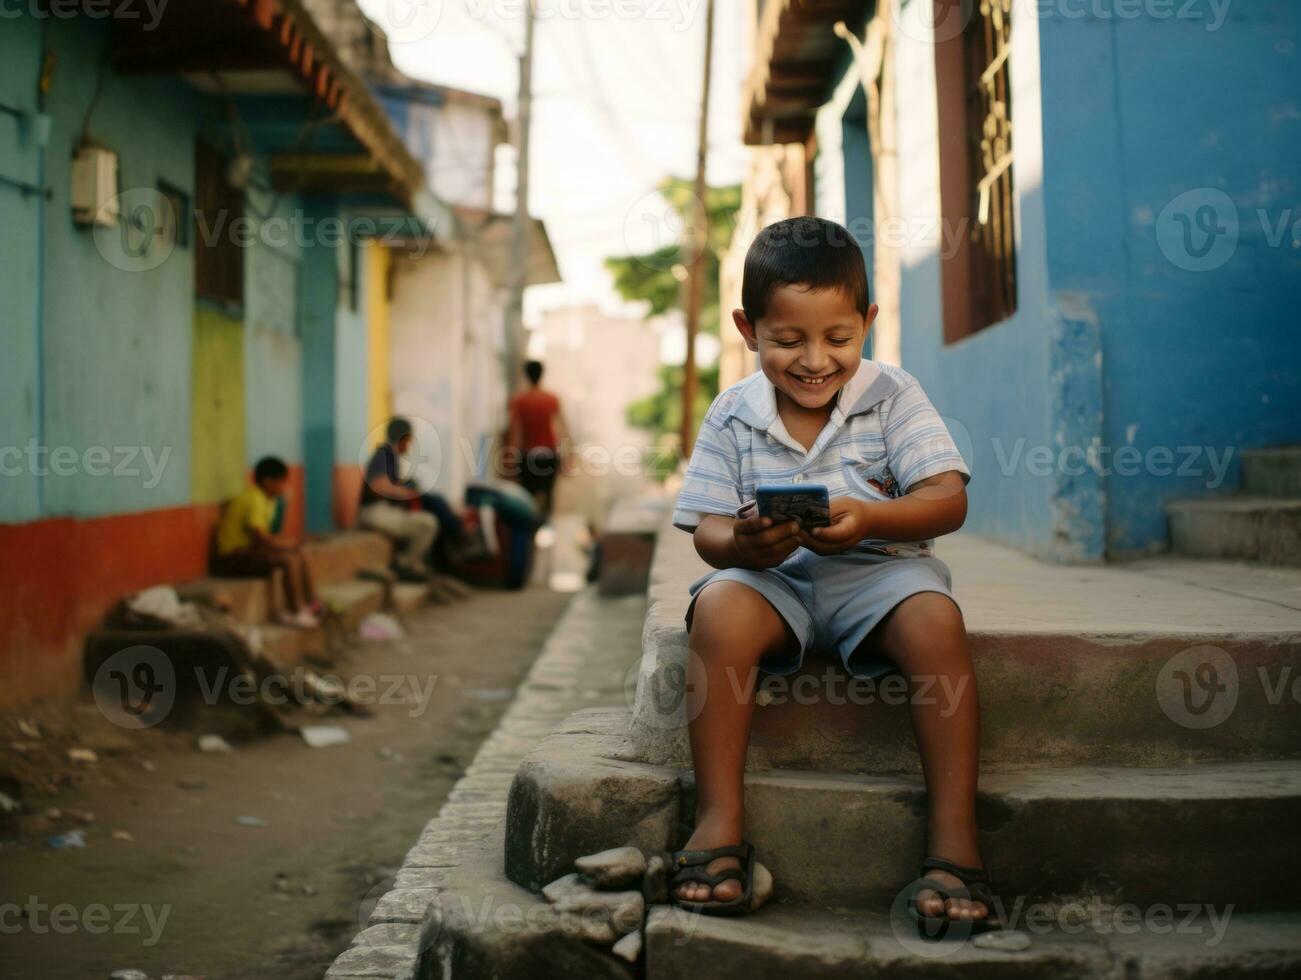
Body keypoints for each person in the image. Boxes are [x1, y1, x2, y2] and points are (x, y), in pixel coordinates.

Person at [669, 216, 991, 929]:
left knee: (936, 618)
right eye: (786, 340)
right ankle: (717, 824)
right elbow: (706, 528)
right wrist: (743, 544)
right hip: (771, 584)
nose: (814, 360)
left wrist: (871, 518)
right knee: (718, 610)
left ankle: (953, 843)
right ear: (748, 329)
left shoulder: (893, 395)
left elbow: (947, 498)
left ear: (867, 323)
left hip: (877, 579)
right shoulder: (732, 414)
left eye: (838, 339)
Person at [213, 456, 319, 628]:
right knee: (287, 559)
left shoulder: (268, 501)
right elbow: (260, 537)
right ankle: (297, 611)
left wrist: (284, 510)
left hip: (247, 553)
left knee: (297, 552)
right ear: (267, 481)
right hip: (231, 558)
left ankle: (312, 604)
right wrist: (285, 546)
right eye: (281, 482)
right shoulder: (254, 498)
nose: (284, 486)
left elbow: (272, 533)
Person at [358, 418, 439, 582]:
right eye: (409, 440)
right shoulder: (385, 454)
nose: (409, 445)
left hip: (380, 511)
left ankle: (408, 562)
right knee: (428, 524)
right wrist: (406, 493)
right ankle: (405, 564)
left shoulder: (389, 455)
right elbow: (379, 486)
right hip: (374, 513)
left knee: (422, 521)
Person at [506, 360, 568, 521]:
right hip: (548, 454)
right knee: (548, 498)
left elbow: (515, 433)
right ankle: (545, 531)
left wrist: (511, 461)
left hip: (528, 456)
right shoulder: (551, 399)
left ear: (526, 375)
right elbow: (562, 429)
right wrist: (567, 456)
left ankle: (531, 534)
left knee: (527, 498)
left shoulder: (519, 401)